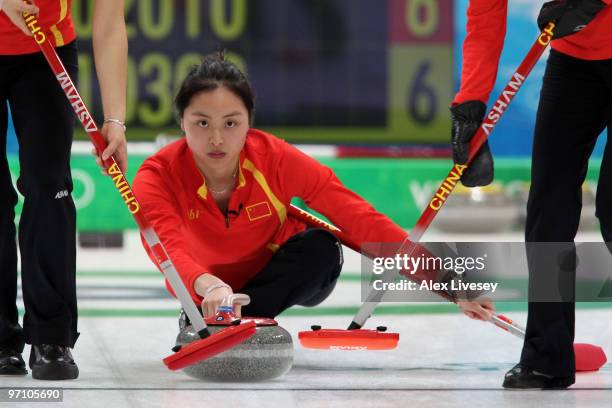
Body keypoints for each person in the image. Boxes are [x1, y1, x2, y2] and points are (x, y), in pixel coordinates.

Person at [128, 52, 494, 327]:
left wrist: (446, 280)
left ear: (249, 123)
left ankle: (241, 318)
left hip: (281, 277)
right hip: (204, 289)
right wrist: (209, 288)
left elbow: (358, 219)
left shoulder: (276, 158)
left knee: (322, 247)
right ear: (181, 122)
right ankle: (214, 316)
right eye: (202, 123)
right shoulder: (156, 176)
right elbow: (168, 251)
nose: (217, 138)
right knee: (201, 283)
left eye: (231, 122)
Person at [451, 0, 611, 389]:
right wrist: (469, 107)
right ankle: (547, 357)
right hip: (573, 60)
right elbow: (485, 19)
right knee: (547, 207)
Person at [0, 0, 127, 380]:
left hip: (45, 50)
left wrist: (115, 119)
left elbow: (108, 24)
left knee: (49, 186)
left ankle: (51, 337)